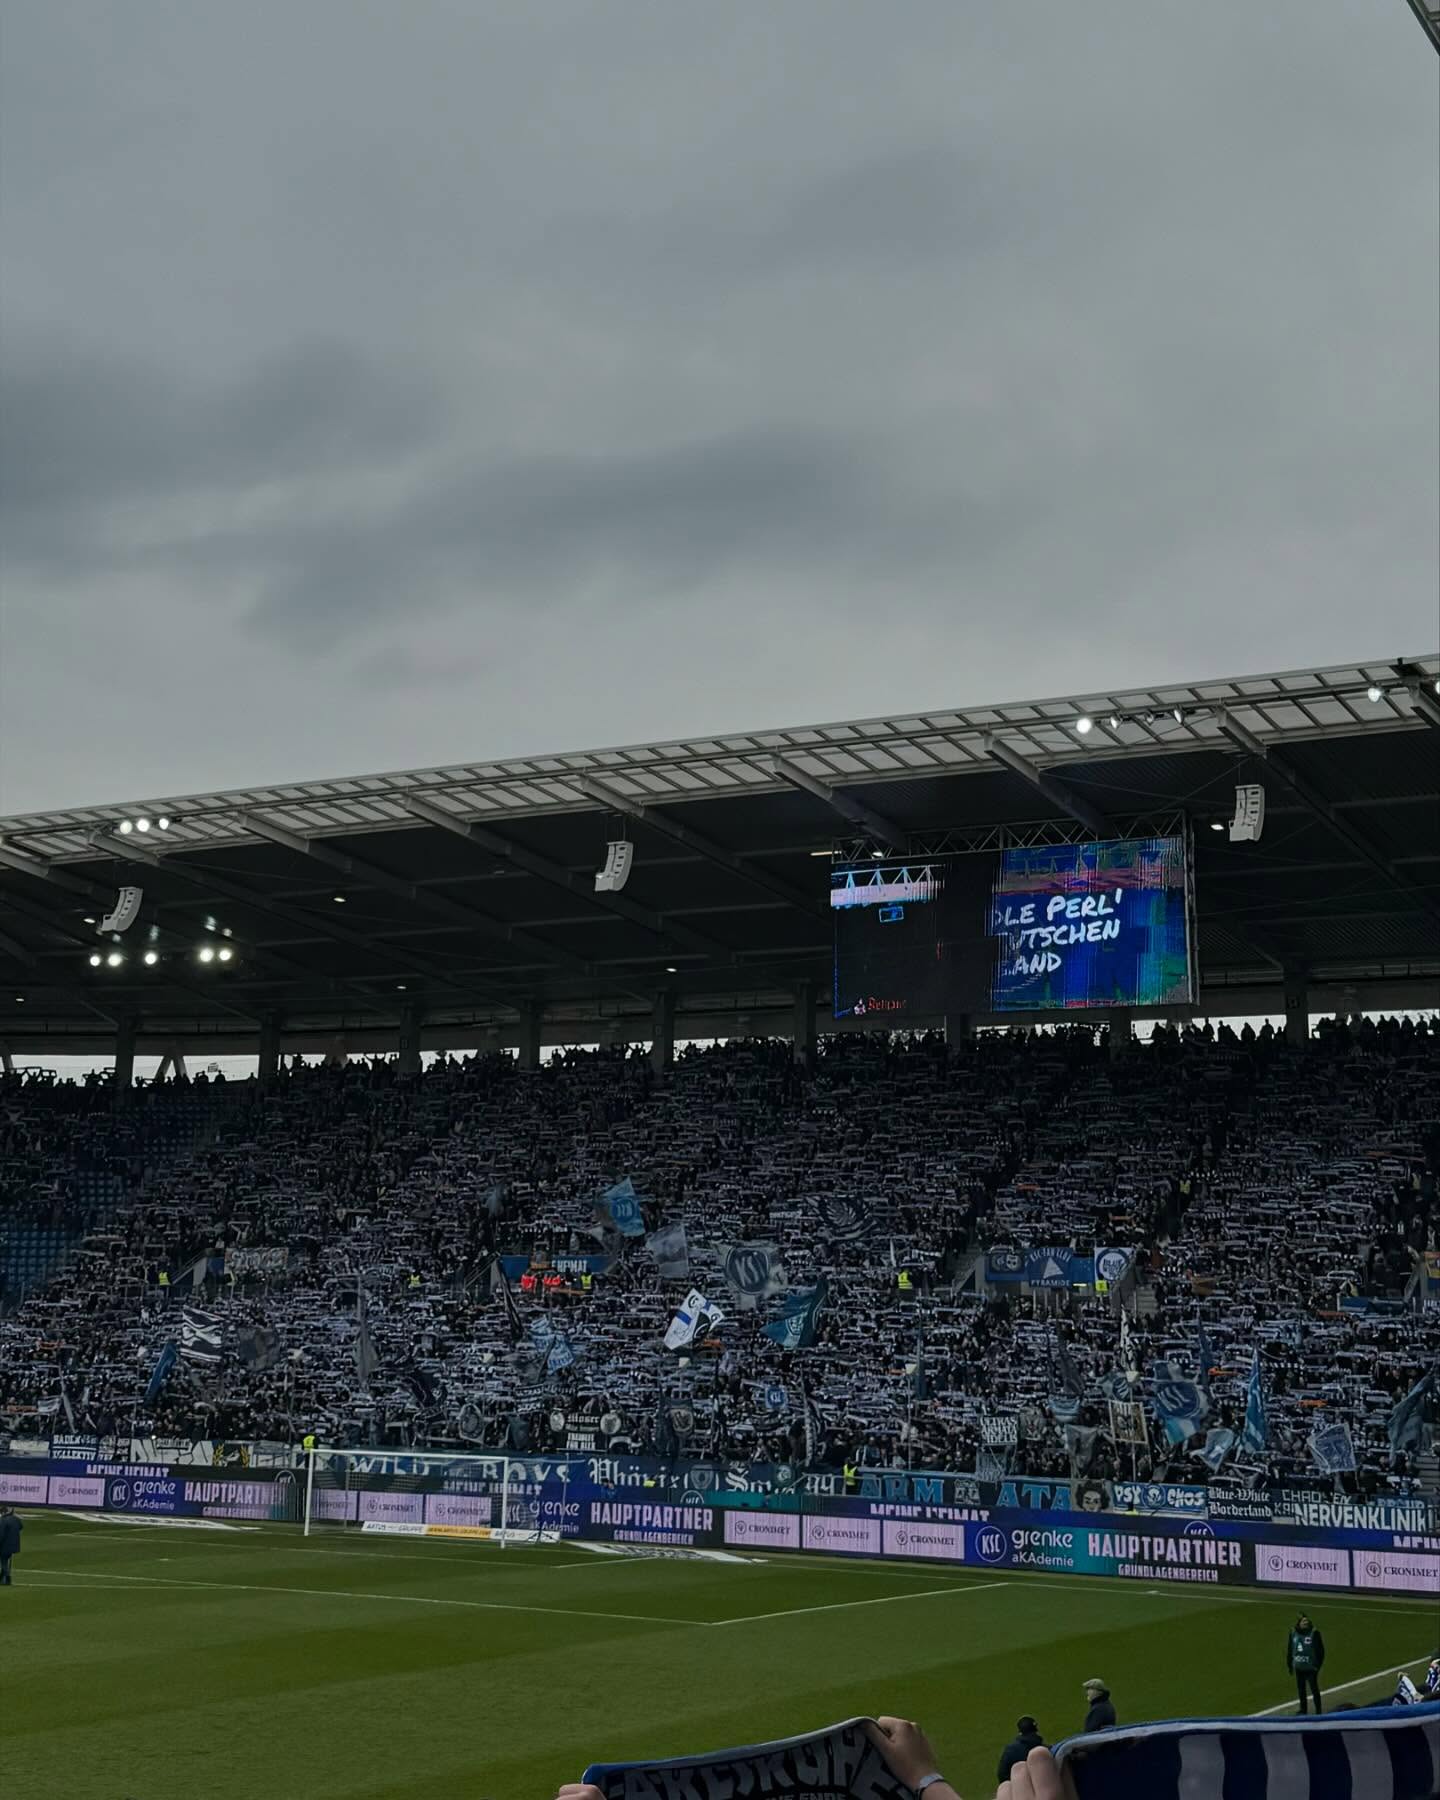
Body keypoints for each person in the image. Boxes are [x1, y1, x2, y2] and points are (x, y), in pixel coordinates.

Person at [1286, 1612, 1326, 1714]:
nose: (1305, 1623)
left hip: (1311, 1668)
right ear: (1299, 1623)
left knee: (1314, 1689)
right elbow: (1290, 1649)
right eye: (1303, 1621)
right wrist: (1289, 1664)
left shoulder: (1314, 1633)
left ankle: (1318, 1711)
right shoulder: (1293, 1633)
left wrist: (1317, 1666)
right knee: (1301, 1690)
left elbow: (1321, 1651)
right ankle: (1303, 1710)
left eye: (1306, 1621)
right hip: (1299, 1667)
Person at [997, 1717, 1045, 1783]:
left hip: (1019, 1786)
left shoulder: (1010, 1750)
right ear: (1036, 1730)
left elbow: (1002, 1774)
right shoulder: (1044, 1749)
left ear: (1020, 1732)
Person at [0, 1505, 22, 1585]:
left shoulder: (3, 1520)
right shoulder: (15, 1519)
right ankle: (2, 1578)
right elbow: (21, 1527)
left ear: (3, 1512)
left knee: (3, 1561)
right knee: (5, 1561)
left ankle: (8, 1577)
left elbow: (1, 1534)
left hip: (5, 1545)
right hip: (14, 1544)